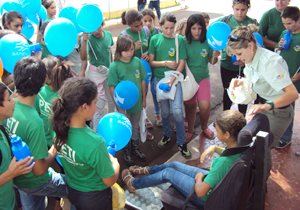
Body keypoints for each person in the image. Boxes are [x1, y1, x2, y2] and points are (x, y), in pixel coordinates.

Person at [122, 110, 246, 207]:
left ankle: (133, 183)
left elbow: (201, 192)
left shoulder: (223, 163)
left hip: (205, 197)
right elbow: (227, 156)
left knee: (168, 173)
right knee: (174, 165)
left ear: (227, 134)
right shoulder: (240, 149)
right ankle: (148, 170)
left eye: (218, 131)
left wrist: (198, 179)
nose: (216, 133)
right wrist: (215, 148)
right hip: (215, 184)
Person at [226, 24, 298, 175]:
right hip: (264, 107)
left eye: (239, 53)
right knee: (250, 144)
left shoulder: (270, 62)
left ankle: (260, 182)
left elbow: (293, 94)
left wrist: (268, 106)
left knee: (260, 147)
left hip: (279, 111)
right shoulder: (251, 58)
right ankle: (258, 178)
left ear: (250, 45)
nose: (238, 59)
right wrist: (242, 83)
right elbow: (259, 82)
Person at [2, 56, 70, 210]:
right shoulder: (33, 121)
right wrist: (55, 147)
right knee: (75, 188)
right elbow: (39, 170)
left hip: (17, 180)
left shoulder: (8, 108)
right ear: (44, 82)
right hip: (36, 181)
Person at [52, 77, 119, 210]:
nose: (96, 105)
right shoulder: (95, 143)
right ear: (84, 107)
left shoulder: (59, 130)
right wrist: (115, 163)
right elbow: (109, 180)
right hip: (95, 200)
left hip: (72, 191)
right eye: (95, 102)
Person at [148, 12, 191, 158]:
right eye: (166, 28)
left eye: (172, 28)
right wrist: (166, 63)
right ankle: (166, 135)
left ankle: (181, 142)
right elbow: (151, 62)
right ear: (160, 26)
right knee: (165, 112)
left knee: (178, 111)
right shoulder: (154, 39)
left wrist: (172, 81)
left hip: (174, 81)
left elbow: (182, 62)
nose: (169, 31)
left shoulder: (180, 40)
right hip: (159, 81)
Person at [108, 34, 147, 166]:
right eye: (126, 50)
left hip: (137, 103)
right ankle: (125, 151)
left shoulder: (137, 62)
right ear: (119, 50)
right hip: (122, 105)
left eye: (132, 49)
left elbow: (142, 81)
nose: (130, 53)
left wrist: (144, 99)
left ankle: (135, 148)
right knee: (125, 127)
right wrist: (119, 105)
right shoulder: (114, 66)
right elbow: (112, 87)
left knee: (135, 125)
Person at [215, 0, 257, 115]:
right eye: (237, 9)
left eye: (243, 10)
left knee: (243, 91)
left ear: (248, 8)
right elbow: (212, 32)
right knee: (227, 91)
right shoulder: (225, 21)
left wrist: (245, 61)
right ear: (232, 7)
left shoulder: (252, 23)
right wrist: (215, 50)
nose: (240, 13)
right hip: (227, 65)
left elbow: (256, 46)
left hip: (246, 66)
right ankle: (226, 117)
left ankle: (242, 117)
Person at [184, 14, 220, 141]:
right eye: (193, 28)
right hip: (188, 80)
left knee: (205, 107)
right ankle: (190, 130)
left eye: (199, 28)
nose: (197, 32)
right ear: (189, 28)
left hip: (204, 77)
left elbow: (212, 61)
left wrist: (215, 55)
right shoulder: (184, 41)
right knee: (190, 107)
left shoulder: (207, 41)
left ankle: (205, 127)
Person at [120, 9, 155, 140]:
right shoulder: (124, 36)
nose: (140, 27)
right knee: (133, 100)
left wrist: (148, 53)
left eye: (141, 24)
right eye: (136, 26)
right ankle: (131, 129)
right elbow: (119, 58)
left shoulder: (145, 31)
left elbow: (151, 46)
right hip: (130, 73)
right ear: (129, 24)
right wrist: (132, 48)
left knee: (143, 98)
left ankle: (142, 124)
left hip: (144, 70)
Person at [0, 83, 35, 210]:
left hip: (10, 201)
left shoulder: (2, 128)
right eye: (9, 100)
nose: (14, 102)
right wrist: (11, 173)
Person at [80, 21, 115, 132]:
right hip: (95, 73)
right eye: (93, 29)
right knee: (98, 105)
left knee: (111, 100)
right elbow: (83, 57)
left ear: (102, 24)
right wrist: (84, 41)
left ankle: (111, 125)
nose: (96, 31)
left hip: (108, 72)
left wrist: (112, 68)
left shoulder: (108, 35)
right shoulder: (89, 39)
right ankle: (97, 131)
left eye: (98, 27)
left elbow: (110, 53)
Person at [275, 6, 300, 148]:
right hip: (283, 78)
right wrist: (278, 46)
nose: (287, 26)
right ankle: (282, 134)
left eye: (290, 23)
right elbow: (277, 53)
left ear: (298, 20)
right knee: (283, 107)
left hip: (295, 79)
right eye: (284, 23)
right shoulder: (285, 33)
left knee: (289, 108)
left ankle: (286, 137)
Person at [34, 56, 72, 148]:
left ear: (46, 77)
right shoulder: (68, 92)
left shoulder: (38, 91)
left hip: (49, 142)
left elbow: (36, 116)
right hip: (65, 142)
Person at [141, 8, 163, 127]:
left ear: (154, 20)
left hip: (156, 67)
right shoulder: (141, 34)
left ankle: (157, 113)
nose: (148, 23)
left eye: (150, 20)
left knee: (156, 91)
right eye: (145, 21)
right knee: (144, 90)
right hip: (144, 69)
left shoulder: (159, 32)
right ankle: (144, 116)